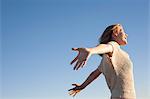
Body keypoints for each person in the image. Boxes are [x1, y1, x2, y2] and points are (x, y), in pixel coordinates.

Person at [68, 24, 136, 99]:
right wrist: (91, 50)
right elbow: (107, 47)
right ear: (115, 33)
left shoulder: (107, 59)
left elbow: (94, 74)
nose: (126, 34)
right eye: (122, 31)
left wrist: (82, 86)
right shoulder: (114, 45)